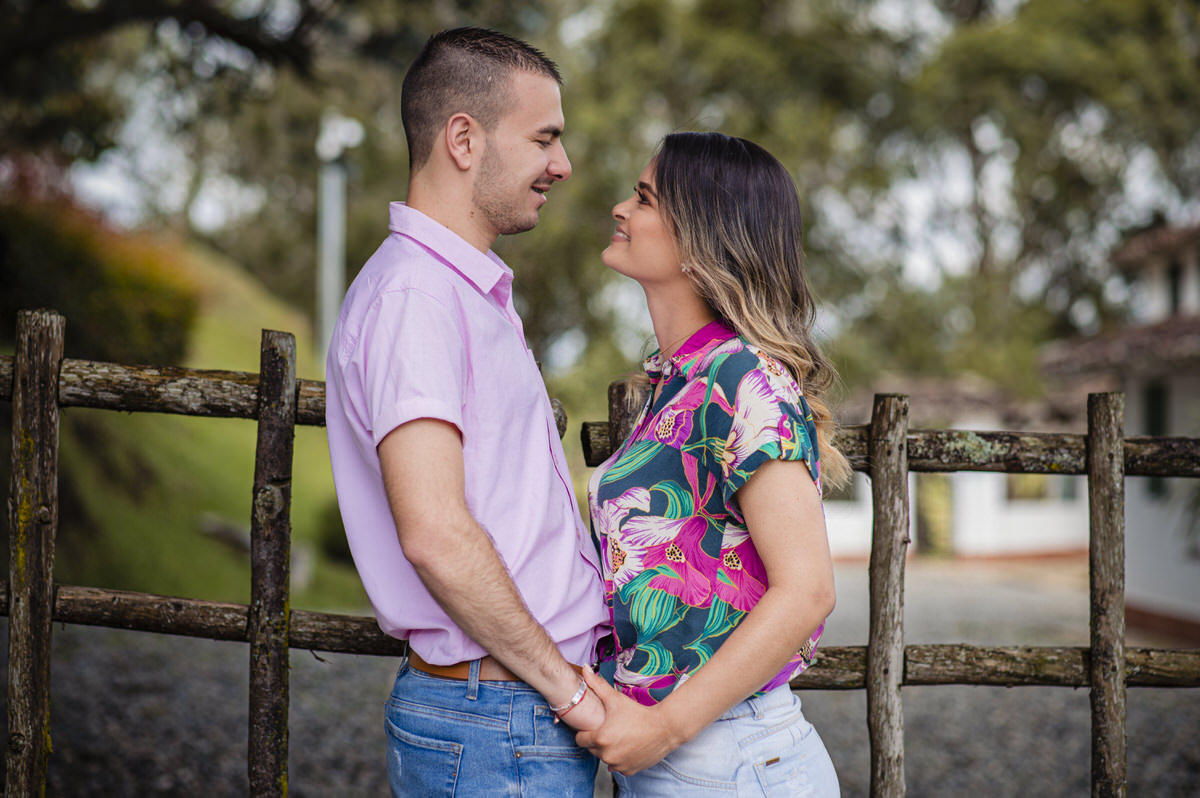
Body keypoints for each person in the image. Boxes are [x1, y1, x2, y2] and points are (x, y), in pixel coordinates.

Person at [324, 27, 609, 797]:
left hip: (514, 713)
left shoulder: (459, 289)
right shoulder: (416, 298)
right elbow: (437, 534)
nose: (563, 164)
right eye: (545, 137)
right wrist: (569, 689)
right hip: (502, 719)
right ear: (463, 139)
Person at [577, 131, 848, 796]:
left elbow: (808, 589)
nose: (619, 208)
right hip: (692, 757)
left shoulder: (740, 377)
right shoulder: (678, 381)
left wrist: (664, 727)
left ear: (702, 239)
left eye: (642, 197)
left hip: (727, 756)